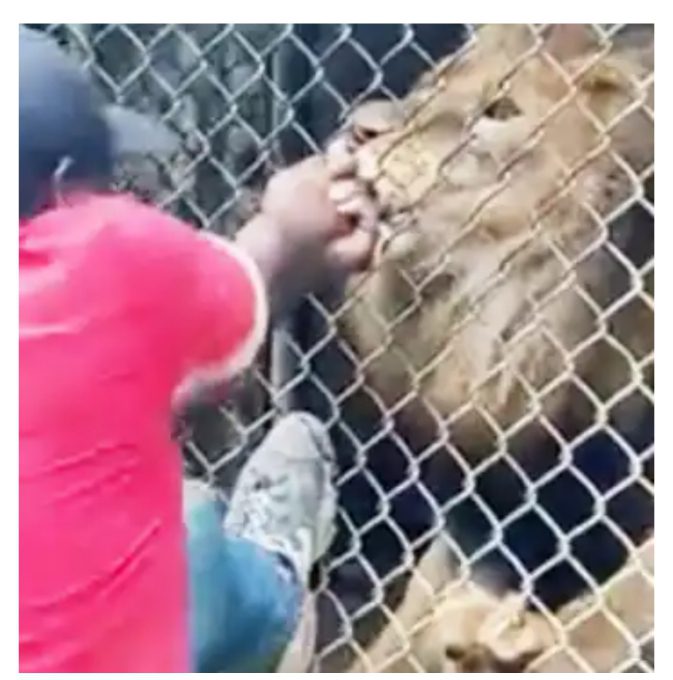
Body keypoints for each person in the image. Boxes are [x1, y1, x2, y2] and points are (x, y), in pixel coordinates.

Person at [19, 26, 377, 672]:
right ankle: (274, 595)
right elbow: (250, 291)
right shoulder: (100, 251)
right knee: (191, 523)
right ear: (65, 184)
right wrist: (294, 223)